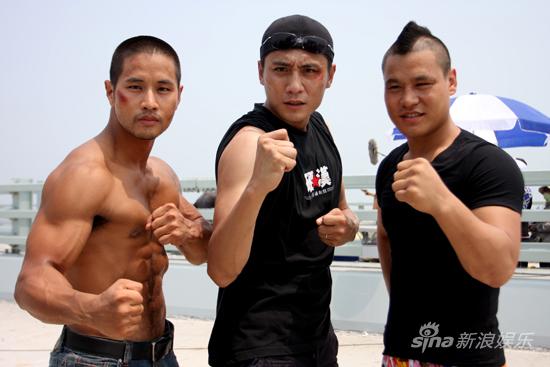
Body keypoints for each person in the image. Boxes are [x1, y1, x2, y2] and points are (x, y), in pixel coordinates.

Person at [14, 35, 212, 367]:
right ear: (110, 91)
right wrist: (89, 309)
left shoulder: (163, 176)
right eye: (135, 87)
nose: (150, 101)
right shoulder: (85, 175)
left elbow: (203, 251)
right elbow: (30, 283)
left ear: (179, 96)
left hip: (161, 355)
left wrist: (188, 234)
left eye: (163, 89)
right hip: (93, 358)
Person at [206, 14, 359, 366]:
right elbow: (221, 270)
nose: (295, 85)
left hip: (318, 340)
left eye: (309, 71)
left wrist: (348, 225)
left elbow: (342, 208)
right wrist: (258, 186)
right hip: (259, 347)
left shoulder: (320, 127)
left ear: (330, 76)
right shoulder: (249, 144)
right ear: (261, 71)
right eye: (280, 69)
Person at [376, 22, 523, 366]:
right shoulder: (389, 167)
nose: (407, 99)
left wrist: (441, 202)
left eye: (422, 84)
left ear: (451, 81)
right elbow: (386, 236)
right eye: (394, 87)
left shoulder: (488, 164)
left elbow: (498, 268)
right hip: (399, 353)